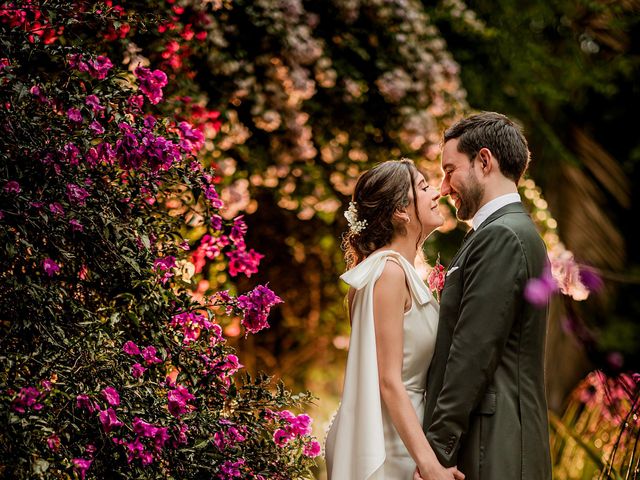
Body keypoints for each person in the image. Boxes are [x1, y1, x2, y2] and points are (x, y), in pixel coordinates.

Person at [417, 112, 552, 480]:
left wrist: (435, 453)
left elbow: (472, 352)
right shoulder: (500, 232)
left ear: (484, 161)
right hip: (488, 442)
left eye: (449, 170)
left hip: (494, 448)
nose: (443, 187)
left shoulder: (503, 236)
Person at [324, 159, 465, 480]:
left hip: (402, 434)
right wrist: (430, 466)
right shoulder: (387, 272)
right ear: (401, 211)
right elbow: (388, 380)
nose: (436, 194)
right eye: (424, 187)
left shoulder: (396, 271)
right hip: (389, 444)